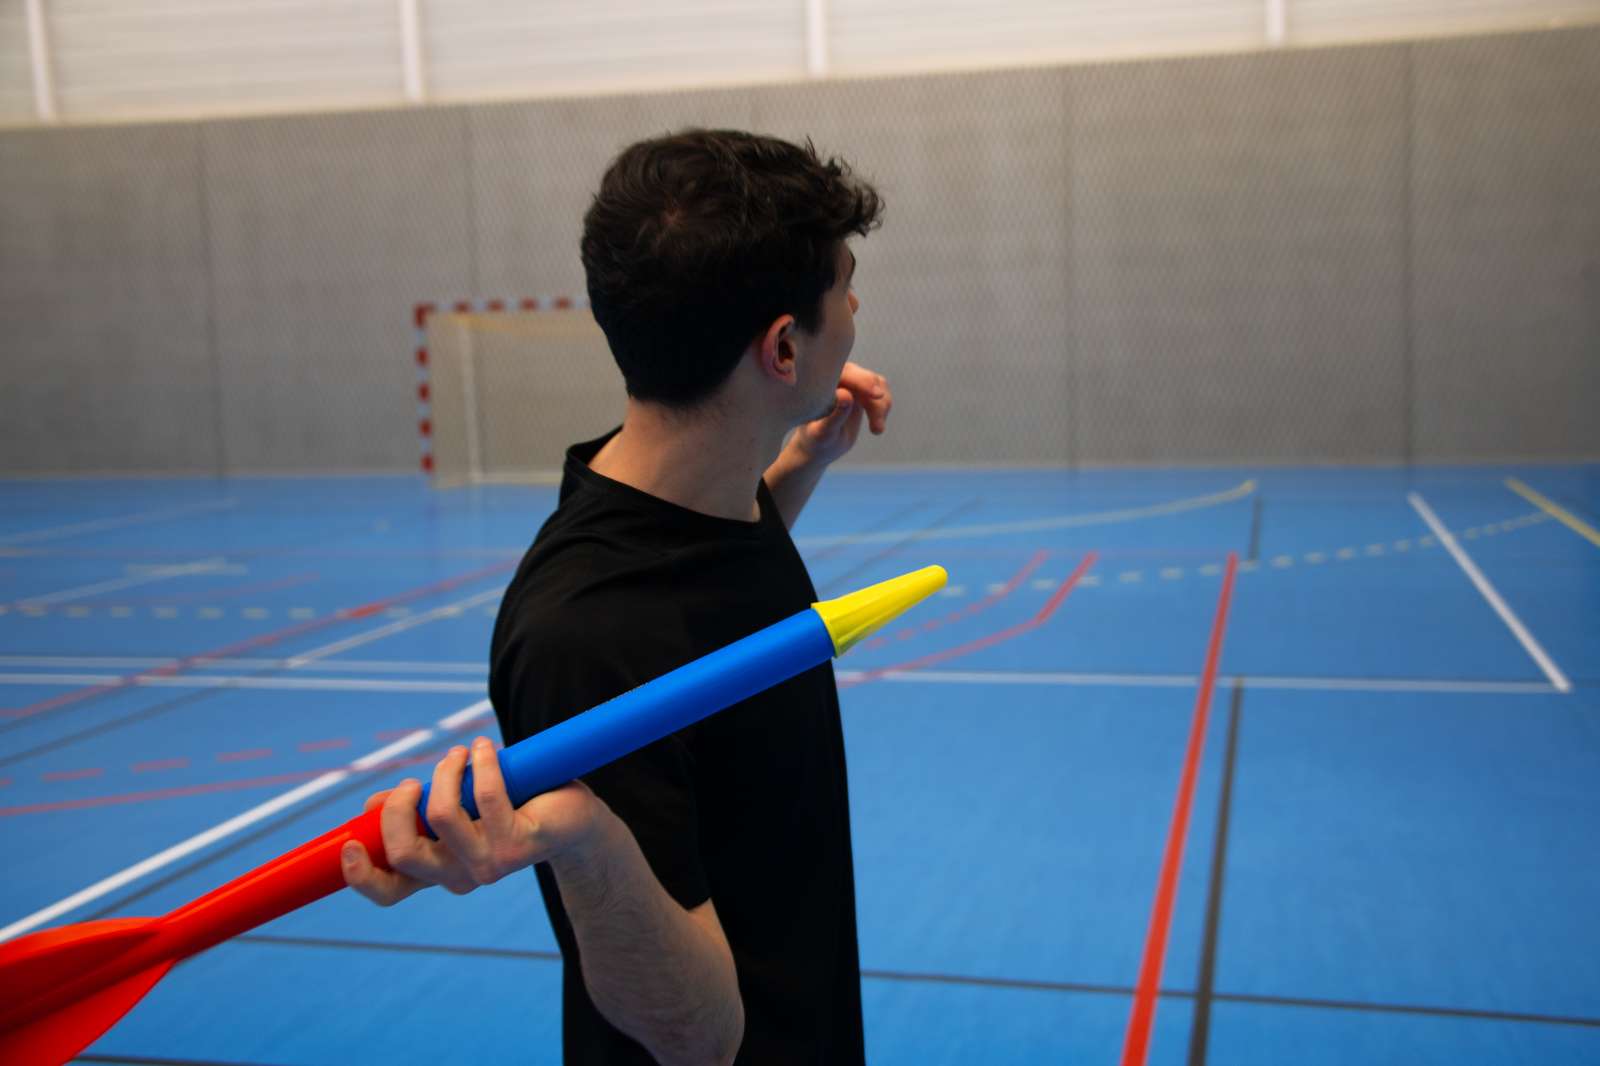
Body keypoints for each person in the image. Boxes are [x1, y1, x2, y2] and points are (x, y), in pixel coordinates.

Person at [341, 128, 891, 1065]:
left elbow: (708, 604)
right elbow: (697, 1038)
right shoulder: (584, 640)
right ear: (782, 348)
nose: (855, 307)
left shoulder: (695, 498)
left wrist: (797, 462)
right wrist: (585, 836)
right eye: (844, 287)